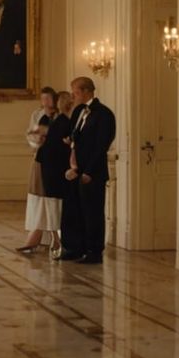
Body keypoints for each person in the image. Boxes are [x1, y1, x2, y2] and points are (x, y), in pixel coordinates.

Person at [58, 76, 115, 264]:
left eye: (75, 93)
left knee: (92, 212)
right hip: (75, 170)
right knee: (75, 211)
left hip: (92, 173)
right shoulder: (79, 112)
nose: (73, 97)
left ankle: (94, 251)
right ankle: (75, 247)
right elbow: (75, 135)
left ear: (86, 92)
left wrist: (89, 171)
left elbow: (101, 145)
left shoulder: (104, 114)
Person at [17, 87, 60, 253]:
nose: (46, 102)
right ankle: (39, 236)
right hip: (40, 160)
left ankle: (52, 238)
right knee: (39, 198)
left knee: (50, 200)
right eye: (43, 99)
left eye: (48, 99)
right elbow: (32, 137)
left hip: (54, 164)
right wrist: (36, 140)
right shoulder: (37, 115)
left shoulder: (59, 117)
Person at [38, 91, 76, 258]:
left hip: (52, 170)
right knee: (57, 208)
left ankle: (56, 239)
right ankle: (58, 240)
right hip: (58, 171)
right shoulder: (64, 123)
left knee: (53, 207)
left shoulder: (59, 121)